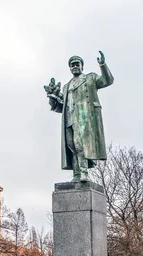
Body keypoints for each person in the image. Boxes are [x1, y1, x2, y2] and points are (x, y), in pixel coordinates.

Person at [46, 51, 114, 182]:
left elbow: (107, 80)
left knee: (79, 144)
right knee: (71, 146)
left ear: (82, 66)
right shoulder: (66, 86)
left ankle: (83, 173)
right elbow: (62, 107)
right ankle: (76, 174)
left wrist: (103, 65)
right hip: (69, 120)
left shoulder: (90, 78)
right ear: (70, 68)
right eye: (72, 65)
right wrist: (53, 100)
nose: (75, 66)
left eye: (77, 64)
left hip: (85, 119)